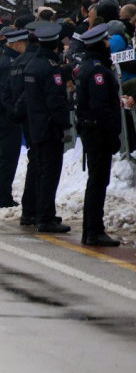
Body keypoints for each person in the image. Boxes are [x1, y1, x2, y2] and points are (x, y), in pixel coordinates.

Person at [73, 24, 123, 247]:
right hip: (98, 133)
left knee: (97, 181)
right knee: (97, 182)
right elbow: (101, 107)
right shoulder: (98, 71)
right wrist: (111, 134)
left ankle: (91, 229)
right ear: (100, 44)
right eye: (106, 42)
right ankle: (94, 230)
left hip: (91, 131)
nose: (108, 45)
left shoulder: (88, 66)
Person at [20, 22, 71, 233]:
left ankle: (35, 211)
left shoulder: (32, 65)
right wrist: (63, 124)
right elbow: (55, 101)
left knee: (38, 170)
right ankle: (45, 216)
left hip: (34, 125)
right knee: (49, 173)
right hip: (49, 127)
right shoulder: (51, 69)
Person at [0, 27, 28, 207]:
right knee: (7, 159)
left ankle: (4, 195)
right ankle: (3, 197)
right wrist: (14, 112)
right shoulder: (10, 63)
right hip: (8, 118)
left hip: (6, 117)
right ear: (17, 43)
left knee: (7, 158)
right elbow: (4, 93)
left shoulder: (6, 60)